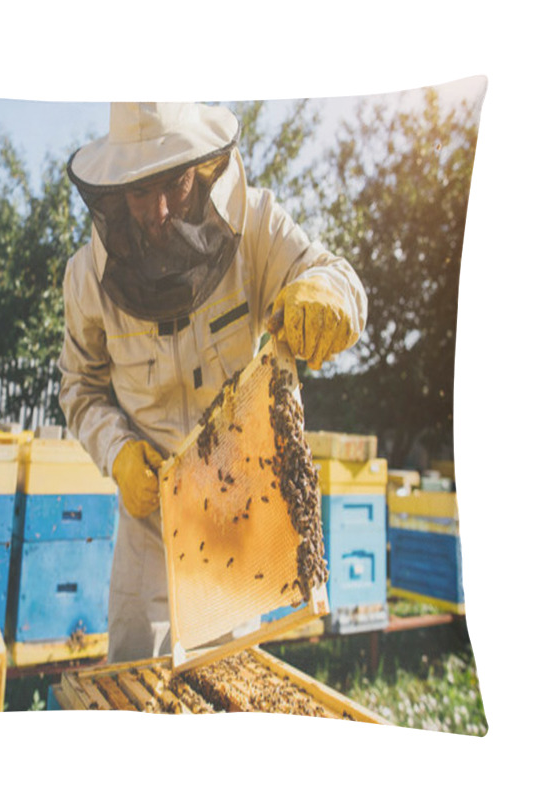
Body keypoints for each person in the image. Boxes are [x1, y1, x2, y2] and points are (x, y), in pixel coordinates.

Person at [58, 102, 367, 663]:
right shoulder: (87, 278)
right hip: (148, 520)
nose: (157, 211)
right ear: (112, 193)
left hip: (235, 512)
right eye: (137, 192)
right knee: (132, 671)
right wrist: (118, 452)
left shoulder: (257, 225)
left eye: (173, 184)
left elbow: (337, 276)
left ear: (201, 169)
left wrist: (326, 293)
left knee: (227, 685)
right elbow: (78, 387)